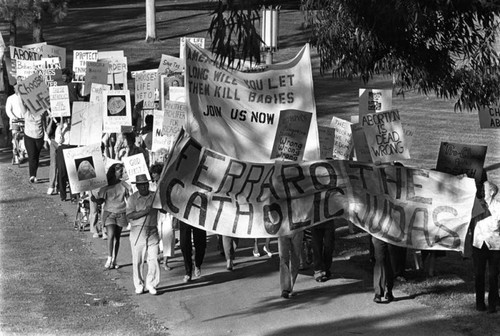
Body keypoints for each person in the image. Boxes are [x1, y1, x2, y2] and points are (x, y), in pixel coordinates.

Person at [126, 174, 160, 295]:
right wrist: (145, 211)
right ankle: (139, 284)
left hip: (152, 230)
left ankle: (151, 283)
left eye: (146, 184)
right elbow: (130, 215)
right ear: (138, 186)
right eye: (141, 185)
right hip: (138, 230)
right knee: (138, 259)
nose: (144, 187)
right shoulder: (132, 199)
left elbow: (163, 208)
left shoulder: (154, 196)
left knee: (154, 257)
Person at [93, 163, 132, 269]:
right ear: (114, 172)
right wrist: (94, 199)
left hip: (121, 213)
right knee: (110, 235)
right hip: (109, 214)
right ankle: (109, 258)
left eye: (123, 172)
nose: (123, 174)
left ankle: (114, 260)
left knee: (117, 238)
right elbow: (101, 201)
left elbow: (129, 199)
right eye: (121, 172)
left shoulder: (124, 185)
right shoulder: (105, 186)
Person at [472, 180, 500, 313]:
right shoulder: (476, 205)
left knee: (493, 276)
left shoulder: (498, 207)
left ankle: (493, 304)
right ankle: (479, 303)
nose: (482, 191)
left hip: (494, 246)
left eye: (485, 188)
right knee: (479, 275)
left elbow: (497, 225)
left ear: (492, 192)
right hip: (479, 244)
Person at [150, 163, 175, 270]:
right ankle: (155, 256)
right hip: (156, 214)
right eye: (152, 173)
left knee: (168, 236)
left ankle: (165, 261)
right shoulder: (151, 186)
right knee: (156, 236)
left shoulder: (167, 184)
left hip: (168, 213)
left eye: (155, 173)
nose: (153, 175)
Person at [23, 107, 48, 183]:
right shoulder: (26, 111)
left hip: (39, 136)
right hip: (29, 136)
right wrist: (20, 95)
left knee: (36, 156)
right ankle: (32, 175)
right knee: (32, 155)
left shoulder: (41, 112)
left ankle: (34, 174)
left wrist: (46, 140)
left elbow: (45, 125)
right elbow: (21, 102)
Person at [178, 218, 206, 283]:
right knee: (184, 244)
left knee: (201, 244)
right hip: (184, 216)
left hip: (199, 214)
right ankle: (188, 272)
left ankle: (198, 263)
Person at [278, 230, 304, 299]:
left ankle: (290, 286)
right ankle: (285, 289)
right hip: (283, 230)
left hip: (297, 229)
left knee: (295, 258)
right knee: (283, 258)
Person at [5, 85, 26, 165]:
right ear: (14, 89)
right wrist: (14, 117)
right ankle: (16, 154)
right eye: (16, 88)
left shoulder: (25, 97)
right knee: (15, 138)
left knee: (25, 138)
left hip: (24, 121)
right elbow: (8, 110)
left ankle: (23, 153)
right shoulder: (10, 98)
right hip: (15, 121)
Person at [372, 236, 395, 303]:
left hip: (392, 234)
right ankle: (378, 293)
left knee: (390, 262)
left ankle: (389, 290)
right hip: (378, 234)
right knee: (379, 261)